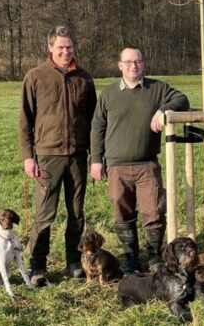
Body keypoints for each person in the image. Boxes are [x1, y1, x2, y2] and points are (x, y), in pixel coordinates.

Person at [90, 47, 190, 273]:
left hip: (147, 163)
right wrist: (96, 159)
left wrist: (163, 110)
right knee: (121, 211)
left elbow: (182, 99)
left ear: (144, 64)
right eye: (128, 62)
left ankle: (154, 257)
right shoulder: (108, 93)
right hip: (116, 165)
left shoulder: (157, 88)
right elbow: (98, 127)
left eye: (137, 61)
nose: (133, 65)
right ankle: (131, 258)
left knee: (154, 210)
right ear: (120, 65)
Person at [19, 26, 97, 287]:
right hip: (47, 157)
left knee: (76, 213)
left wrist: (94, 153)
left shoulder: (84, 78)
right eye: (61, 47)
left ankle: (74, 262)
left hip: (77, 155)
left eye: (70, 47)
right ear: (50, 48)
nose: (66, 52)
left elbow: (94, 120)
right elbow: (25, 120)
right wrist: (28, 157)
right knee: (44, 215)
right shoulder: (35, 77)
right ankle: (38, 267)